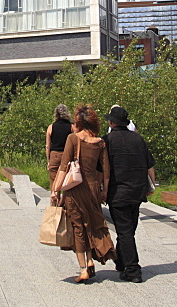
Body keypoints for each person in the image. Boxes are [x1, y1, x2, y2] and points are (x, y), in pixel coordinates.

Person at [50, 105, 115, 283]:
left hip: (75, 188)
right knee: (91, 224)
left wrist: (55, 189)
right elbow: (106, 171)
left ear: (78, 122)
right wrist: (105, 192)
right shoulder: (100, 142)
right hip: (93, 188)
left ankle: (83, 268)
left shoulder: (73, 139)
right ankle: (90, 259)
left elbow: (64, 167)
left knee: (79, 227)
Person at [104, 105, 156, 283]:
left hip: (118, 192)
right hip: (137, 191)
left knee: (125, 232)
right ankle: (121, 261)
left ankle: (133, 270)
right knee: (128, 229)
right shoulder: (138, 139)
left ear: (111, 122)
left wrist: (101, 190)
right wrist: (152, 185)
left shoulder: (107, 140)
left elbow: (101, 169)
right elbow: (149, 164)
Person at [45, 104, 73, 189]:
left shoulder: (51, 127)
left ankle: (54, 200)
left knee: (54, 181)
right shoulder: (72, 127)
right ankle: (64, 201)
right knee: (67, 181)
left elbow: (47, 146)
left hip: (55, 155)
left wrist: (49, 161)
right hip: (67, 155)